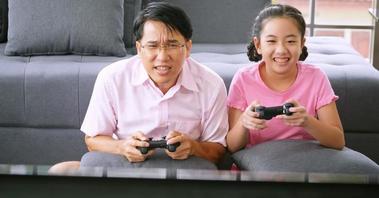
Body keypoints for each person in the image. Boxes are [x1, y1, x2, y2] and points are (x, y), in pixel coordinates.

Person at [49, 2, 228, 173]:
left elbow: (218, 151)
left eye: (172, 45)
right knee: (60, 171)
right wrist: (122, 146)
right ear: (139, 48)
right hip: (126, 167)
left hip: (185, 171)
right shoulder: (112, 77)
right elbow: (93, 140)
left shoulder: (211, 84)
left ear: (188, 48)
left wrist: (194, 147)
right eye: (152, 46)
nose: (162, 56)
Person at [226, 4, 346, 166]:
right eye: (271, 41)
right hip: (257, 166)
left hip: (305, 164)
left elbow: (338, 141)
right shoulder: (243, 79)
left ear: (302, 43)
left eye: (290, 41)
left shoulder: (316, 77)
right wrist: (244, 122)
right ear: (258, 45)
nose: (281, 50)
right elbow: (232, 146)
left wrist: (307, 121)